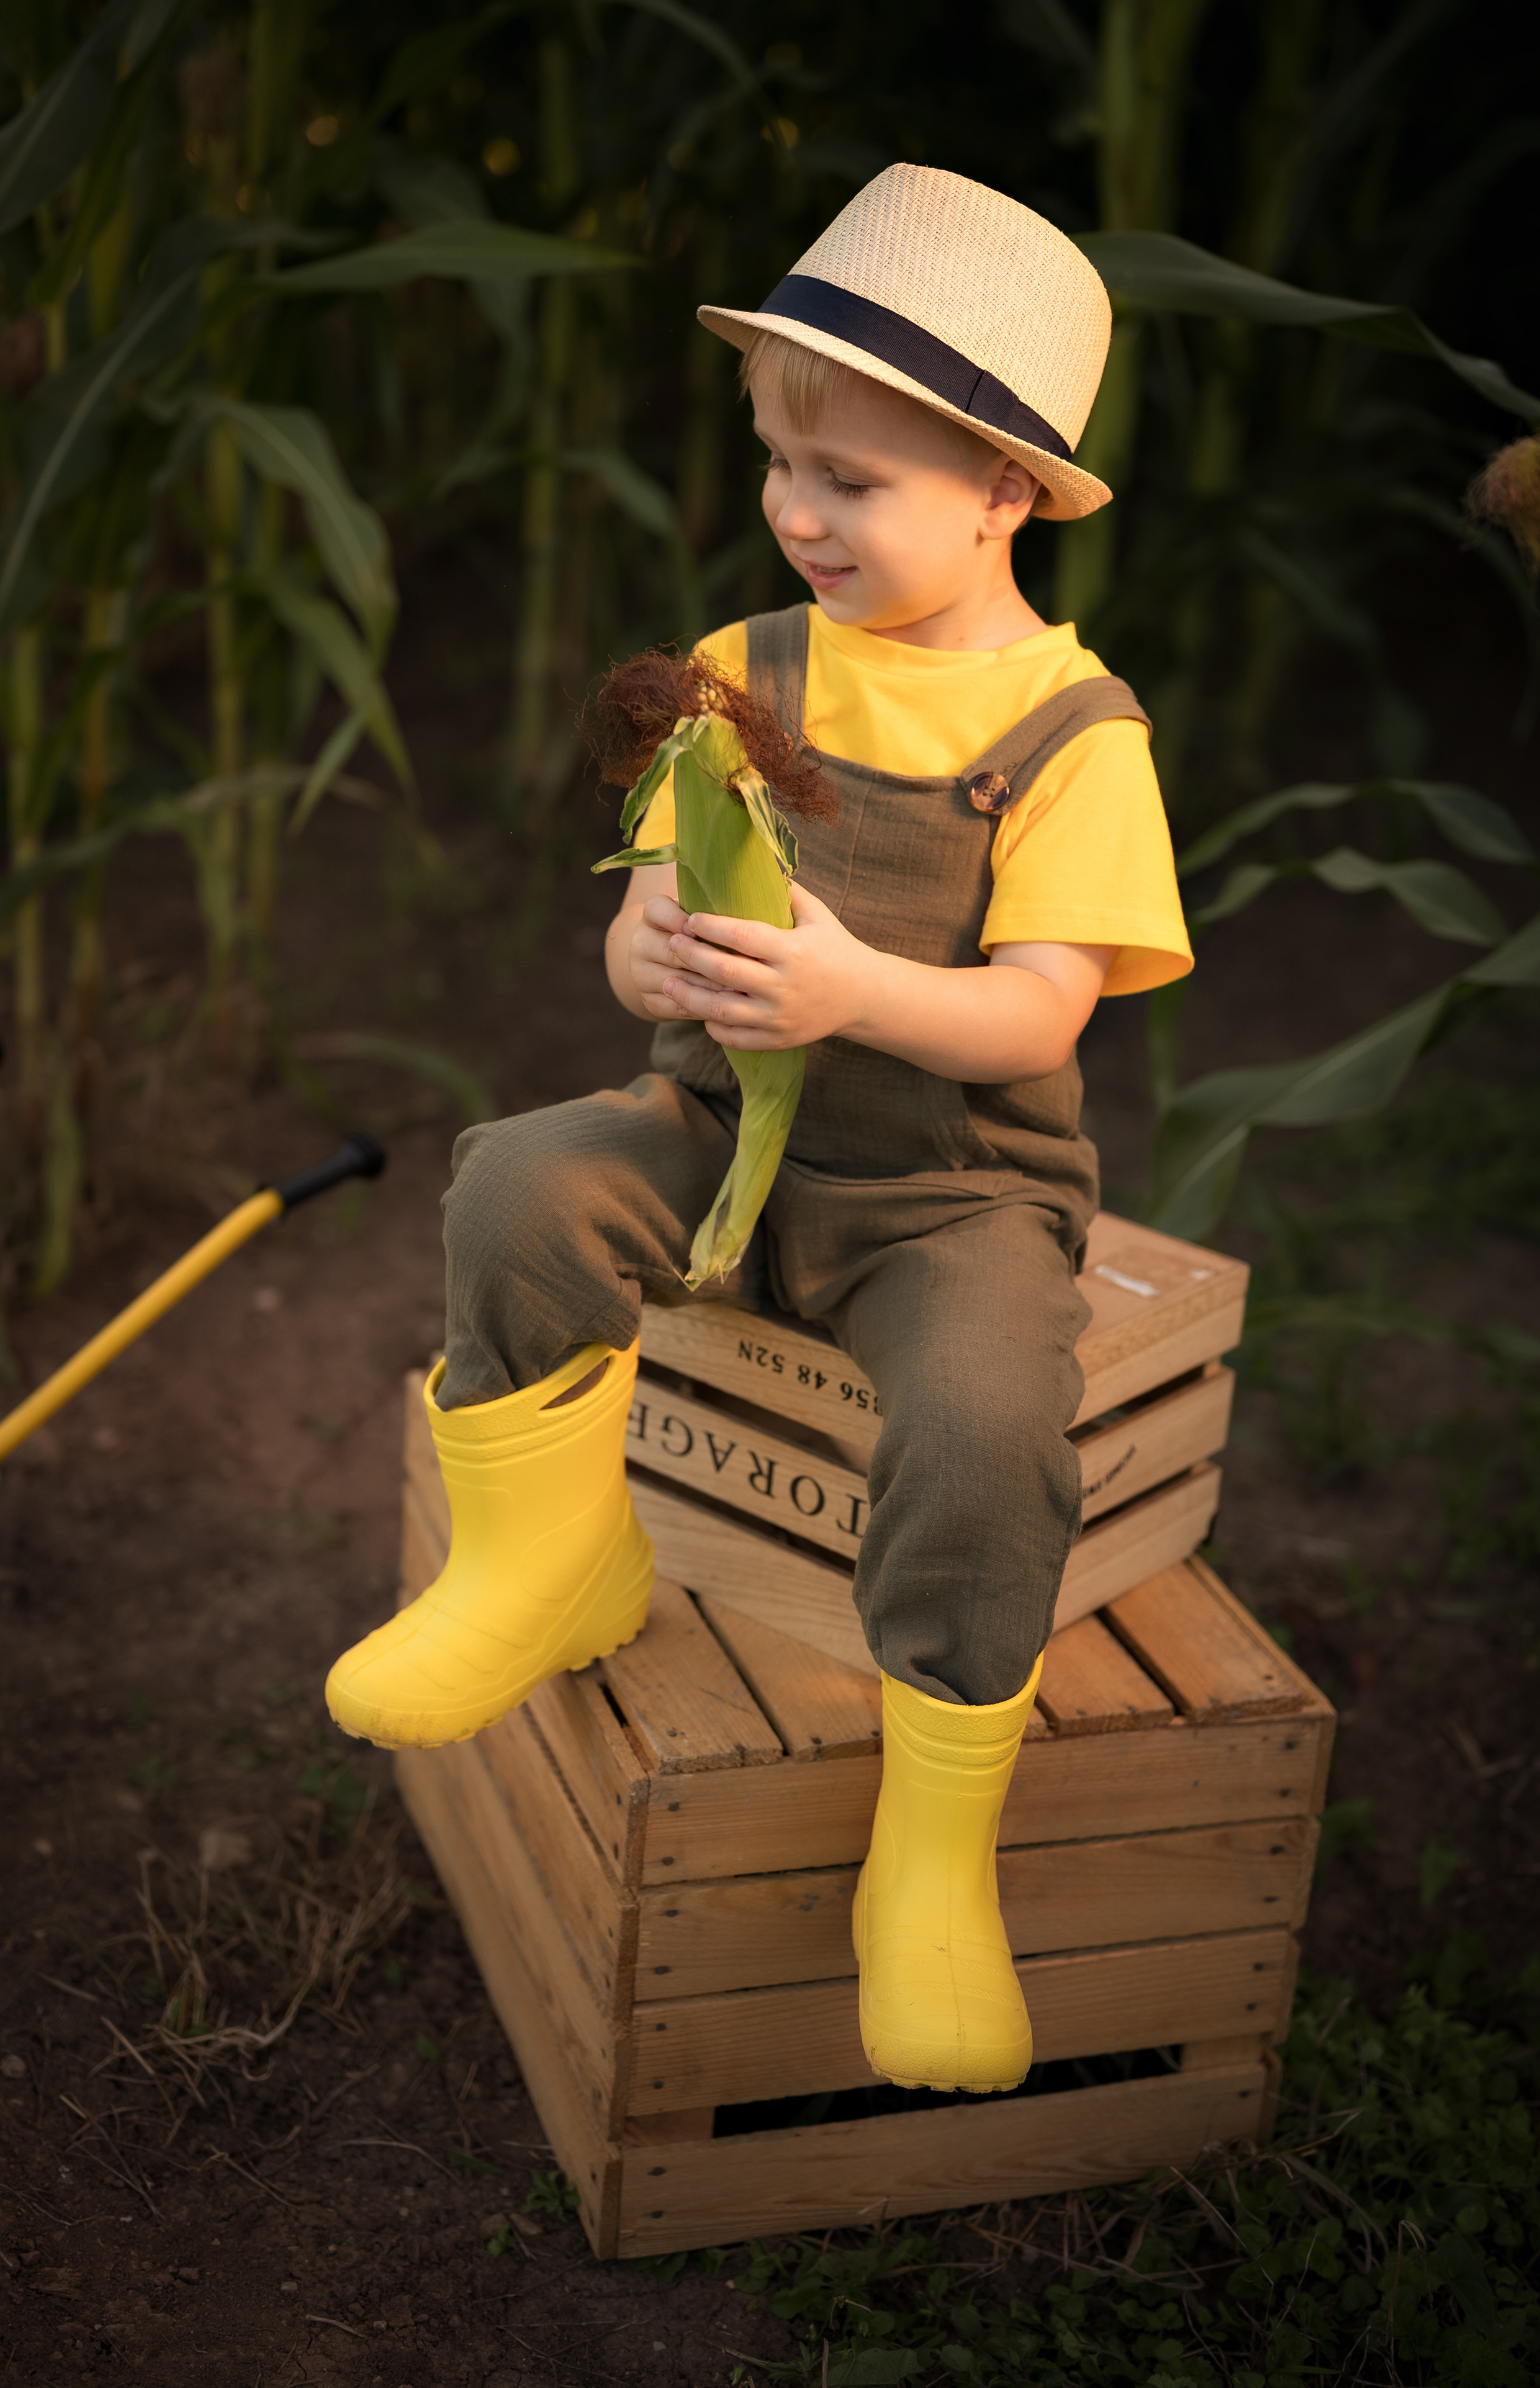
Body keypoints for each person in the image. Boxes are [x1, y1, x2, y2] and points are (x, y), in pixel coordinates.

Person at [326, 164, 1192, 2097]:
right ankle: (548, 1559)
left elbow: (1042, 1010)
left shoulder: (1072, 732)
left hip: (942, 1195)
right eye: (781, 460)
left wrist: (855, 991)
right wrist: (644, 950)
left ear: (999, 490)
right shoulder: (751, 665)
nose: (800, 510)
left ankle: (933, 1847)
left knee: (982, 1424)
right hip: (718, 1133)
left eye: (854, 479)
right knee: (525, 1182)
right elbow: (657, 897)